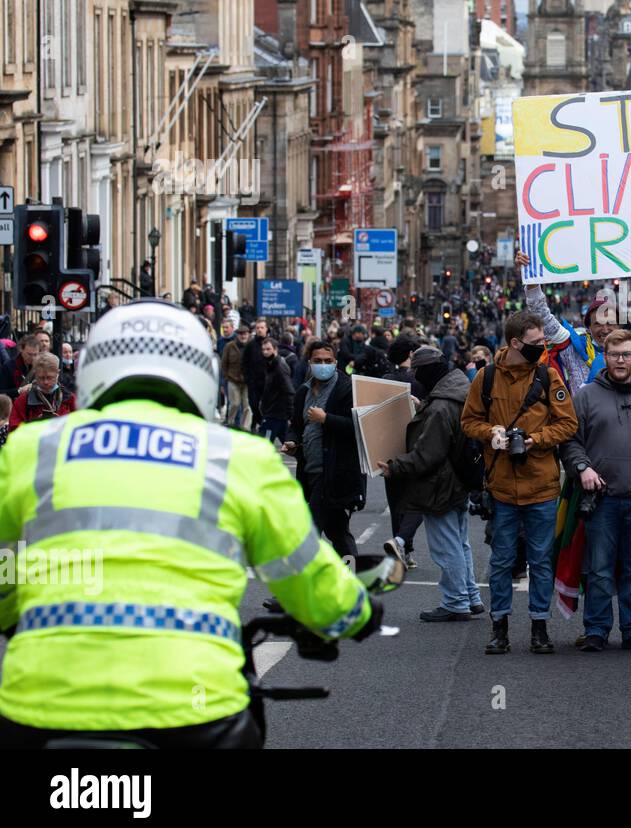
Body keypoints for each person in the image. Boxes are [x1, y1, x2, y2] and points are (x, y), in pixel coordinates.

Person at [0, 300, 380, 748]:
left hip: (41, 707)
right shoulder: (241, 457)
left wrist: (16, 615)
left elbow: (5, 565)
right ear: (202, 372)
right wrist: (355, 612)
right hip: (191, 712)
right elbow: (307, 574)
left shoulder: (31, 449)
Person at [460, 311, 578, 655]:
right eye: (536, 343)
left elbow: (568, 425)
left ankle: (539, 628)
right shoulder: (486, 378)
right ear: (514, 343)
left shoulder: (548, 375)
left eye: (543, 342)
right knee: (501, 560)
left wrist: (535, 440)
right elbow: (468, 421)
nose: (542, 347)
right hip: (500, 485)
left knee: (541, 560)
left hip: (541, 485)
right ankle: (499, 629)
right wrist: (491, 433)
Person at [559, 329, 631, 652]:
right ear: (605, 357)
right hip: (601, 500)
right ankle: (596, 629)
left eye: (626, 354)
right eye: (614, 355)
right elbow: (569, 442)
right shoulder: (584, 396)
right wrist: (582, 468)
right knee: (598, 567)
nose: (621, 360)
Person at [379, 346, 484, 619]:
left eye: (418, 370)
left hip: (441, 485)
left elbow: (428, 454)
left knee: (446, 547)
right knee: (460, 543)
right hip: (461, 480)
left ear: (428, 371)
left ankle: (455, 602)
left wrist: (395, 467)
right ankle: (470, 595)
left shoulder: (440, 406)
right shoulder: (459, 390)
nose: (415, 375)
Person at [282, 341, 366, 561]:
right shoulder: (304, 391)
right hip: (309, 470)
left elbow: (357, 427)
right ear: (309, 363)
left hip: (335, 473)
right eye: (318, 361)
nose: (323, 365)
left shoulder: (346, 389)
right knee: (338, 533)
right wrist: (291, 442)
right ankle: (352, 583)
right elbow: (296, 427)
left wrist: (326, 419)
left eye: (328, 361)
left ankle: (292, 590)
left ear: (336, 362)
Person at [8, 353, 76, 432]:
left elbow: (82, 425)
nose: (46, 382)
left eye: (50, 377)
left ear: (58, 373)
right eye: (41, 378)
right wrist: (34, 425)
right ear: (35, 375)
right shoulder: (23, 401)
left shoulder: (69, 398)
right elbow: (13, 431)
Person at [257, 337, 293, 444]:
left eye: (268, 349)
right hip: (274, 412)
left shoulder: (279, 367)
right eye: (263, 350)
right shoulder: (271, 365)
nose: (265, 352)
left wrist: (291, 413)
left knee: (265, 445)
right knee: (288, 442)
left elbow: (288, 390)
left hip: (275, 413)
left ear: (275, 349)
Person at [242, 319, 271, 428]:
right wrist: (247, 378)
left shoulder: (270, 343)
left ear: (266, 329)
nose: (259, 330)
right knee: (253, 404)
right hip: (253, 381)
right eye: (257, 328)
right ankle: (260, 422)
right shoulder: (250, 345)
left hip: (267, 381)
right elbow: (244, 362)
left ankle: (258, 425)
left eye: (262, 328)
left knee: (266, 406)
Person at [221, 324, 251, 429]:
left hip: (247, 382)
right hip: (233, 379)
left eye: (245, 334)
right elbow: (224, 363)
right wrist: (226, 377)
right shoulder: (230, 346)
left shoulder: (251, 346)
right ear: (237, 335)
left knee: (247, 406)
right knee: (234, 403)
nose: (243, 336)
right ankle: (230, 424)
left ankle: (245, 428)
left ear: (248, 335)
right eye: (241, 334)